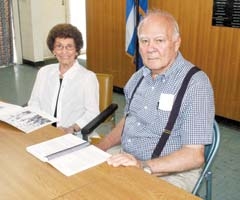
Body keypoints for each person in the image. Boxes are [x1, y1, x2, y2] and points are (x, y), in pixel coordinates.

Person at [96, 10, 215, 192]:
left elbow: (194, 155)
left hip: (170, 171)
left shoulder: (195, 84)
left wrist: (143, 166)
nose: (150, 48)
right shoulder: (138, 78)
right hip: (127, 157)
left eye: (159, 40)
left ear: (176, 43)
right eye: (144, 41)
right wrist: (100, 147)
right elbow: (128, 121)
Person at [28, 23, 99, 133]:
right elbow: (34, 102)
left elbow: (92, 113)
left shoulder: (88, 78)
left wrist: (72, 128)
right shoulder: (44, 72)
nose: (64, 51)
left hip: (72, 135)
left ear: (76, 50)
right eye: (59, 46)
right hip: (43, 131)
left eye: (69, 47)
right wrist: (41, 125)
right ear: (53, 50)